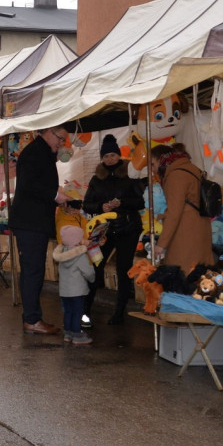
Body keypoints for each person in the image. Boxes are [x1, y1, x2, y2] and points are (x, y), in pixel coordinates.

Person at [9, 125, 69, 335]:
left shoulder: (40, 151)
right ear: (48, 132)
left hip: (34, 221)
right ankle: (32, 319)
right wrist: (55, 196)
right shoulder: (35, 152)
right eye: (60, 138)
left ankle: (33, 317)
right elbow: (29, 185)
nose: (61, 143)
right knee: (33, 270)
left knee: (33, 270)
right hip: (30, 222)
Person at [83, 134, 146, 325]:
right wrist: (100, 207)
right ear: (102, 158)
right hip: (105, 230)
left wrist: (122, 202)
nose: (110, 158)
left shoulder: (130, 174)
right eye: (106, 156)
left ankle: (119, 311)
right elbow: (87, 204)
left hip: (128, 227)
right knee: (95, 265)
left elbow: (141, 201)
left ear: (119, 155)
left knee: (123, 269)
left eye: (113, 155)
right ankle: (85, 309)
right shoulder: (96, 179)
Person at [150, 144, 214, 271]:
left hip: (185, 234)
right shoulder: (190, 168)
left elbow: (174, 212)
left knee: (183, 276)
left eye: (152, 164)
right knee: (199, 275)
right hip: (200, 227)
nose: (152, 170)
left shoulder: (176, 175)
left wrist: (161, 244)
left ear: (160, 159)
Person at [54, 225, 95, 345]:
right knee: (77, 312)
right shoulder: (80, 256)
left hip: (64, 291)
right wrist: (92, 279)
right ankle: (77, 334)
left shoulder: (62, 255)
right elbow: (88, 272)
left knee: (68, 312)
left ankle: (68, 333)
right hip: (77, 291)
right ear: (76, 240)